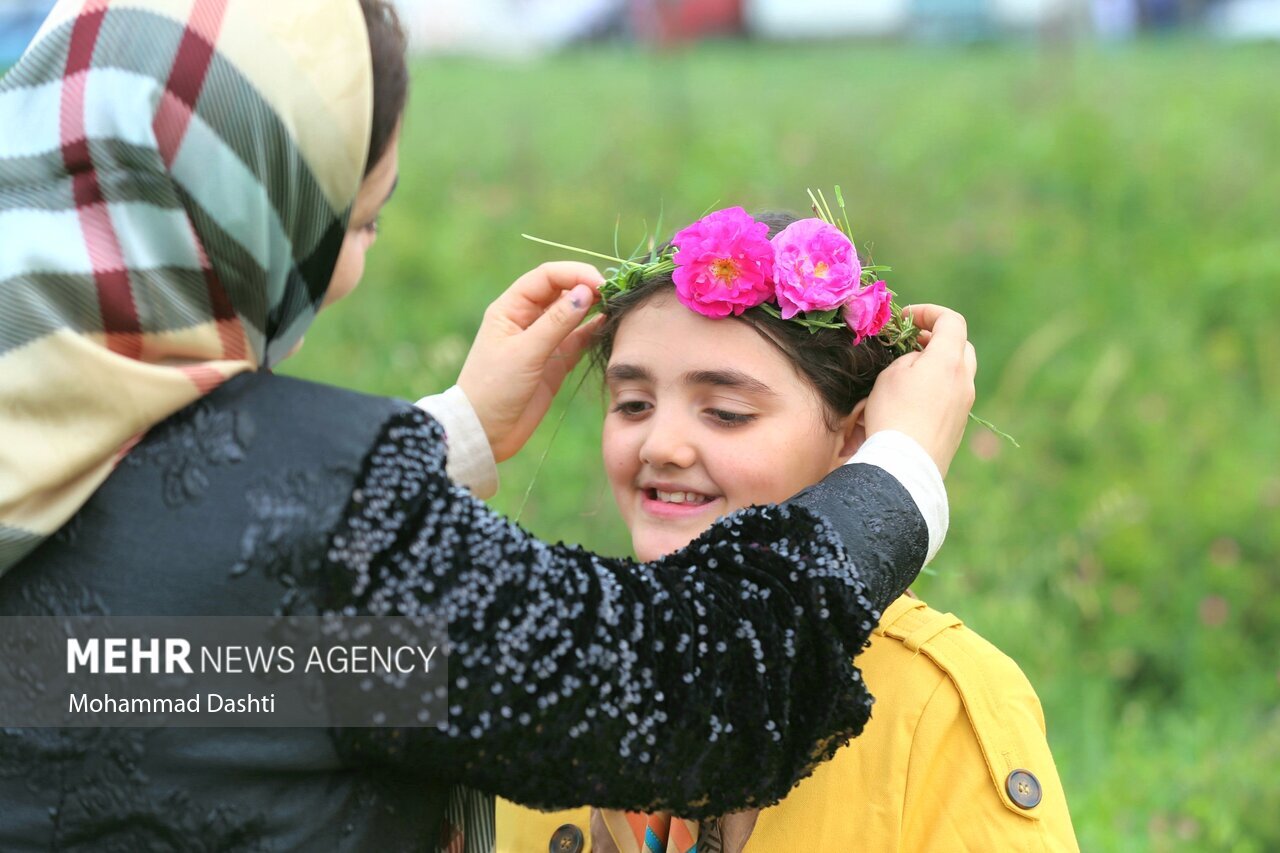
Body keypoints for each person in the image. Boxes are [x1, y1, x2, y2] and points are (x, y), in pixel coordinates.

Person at [0, 2, 975, 849]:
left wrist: (449, 436)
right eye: (359, 211)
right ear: (258, 199)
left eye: (723, 410)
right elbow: (695, 687)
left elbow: (166, 669)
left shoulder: (52, 494)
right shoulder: (333, 555)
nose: (351, 263)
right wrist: (894, 475)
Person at [498, 212, 1078, 851]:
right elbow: (372, 675)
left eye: (727, 413)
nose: (660, 446)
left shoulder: (939, 706)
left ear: (855, 440)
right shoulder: (544, 644)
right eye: (633, 404)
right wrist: (452, 442)